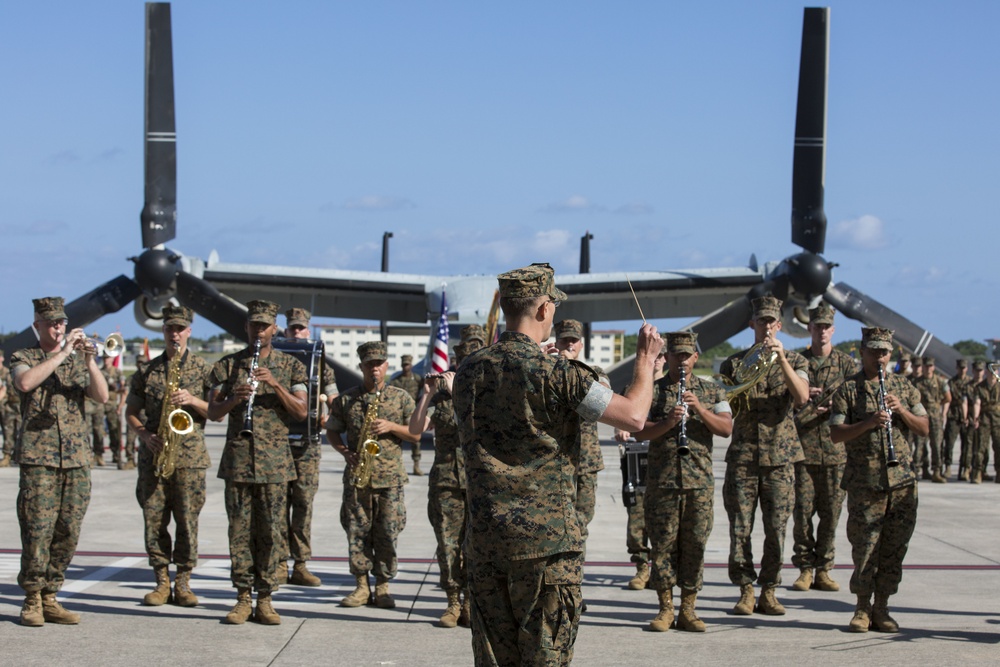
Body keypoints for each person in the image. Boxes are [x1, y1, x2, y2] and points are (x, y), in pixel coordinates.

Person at [453, 262, 664, 666]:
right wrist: (644, 360)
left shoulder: (469, 370)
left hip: (486, 542)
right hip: (546, 548)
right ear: (544, 309)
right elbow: (635, 417)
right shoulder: (556, 374)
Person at [207, 300, 308, 625]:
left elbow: (302, 412)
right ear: (247, 327)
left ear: (274, 328)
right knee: (239, 531)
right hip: (238, 462)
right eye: (254, 325)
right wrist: (235, 398)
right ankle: (241, 598)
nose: (259, 330)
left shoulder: (291, 366)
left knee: (271, 532)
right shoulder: (227, 365)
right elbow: (212, 413)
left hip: (275, 464)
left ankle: (265, 599)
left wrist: (274, 384)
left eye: (264, 325)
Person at [10, 296, 109, 626]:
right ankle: (32, 598)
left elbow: (102, 396)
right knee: (37, 531)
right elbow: (25, 383)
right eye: (52, 323)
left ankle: (51, 595)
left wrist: (90, 361)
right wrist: (64, 351)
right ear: (37, 325)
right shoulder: (24, 356)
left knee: (68, 530)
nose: (59, 327)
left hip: (76, 460)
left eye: (62, 322)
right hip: (40, 459)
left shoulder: (77, 363)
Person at [633, 331, 732, 632]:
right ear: (668, 357)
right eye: (677, 354)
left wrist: (699, 408)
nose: (682, 360)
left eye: (687, 355)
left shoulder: (713, 391)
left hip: (698, 484)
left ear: (696, 357)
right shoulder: (652, 390)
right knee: (662, 546)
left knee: (695, 546)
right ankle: (666, 608)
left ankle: (689, 608)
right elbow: (638, 430)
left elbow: (726, 429)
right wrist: (668, 423)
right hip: (662, 483)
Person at [830, 326, 928, 633]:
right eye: (873, 351)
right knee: (865, 547)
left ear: (891, 353)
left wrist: (902, 412)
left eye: (884, 351)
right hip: (865, 482)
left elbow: (924, 427)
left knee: (894, 548)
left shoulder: (905, 388)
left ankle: (882, 607)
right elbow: (836, 434)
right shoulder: (847, 390)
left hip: (901, 483)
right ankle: (862, 607)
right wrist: (870, 422)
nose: (879, 357)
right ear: (862, 352)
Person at [719, 295, 809, 616]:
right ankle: (745, 589)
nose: (767, 327)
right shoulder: (733, 363)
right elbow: (726, 404)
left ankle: (769, 590)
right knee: (740, 528)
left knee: (776, 528)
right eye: (761, 321)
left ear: (780, 325)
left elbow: (801, 398)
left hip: (780, 458)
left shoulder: (797, 361)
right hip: (743, 457)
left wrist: (781, 360)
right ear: (752, 325)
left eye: (772, 322)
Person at [126, 306, 212, 608]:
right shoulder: (146, 371)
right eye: (169, 329)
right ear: (163, 331)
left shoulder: (203, 369)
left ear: (189, 331)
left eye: (179, 329)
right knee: (154, 518)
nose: (174, 334)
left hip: (189, 456)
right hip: (154, 454)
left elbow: (214, 412)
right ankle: (161, 581)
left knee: (188, 520)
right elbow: (131, 413)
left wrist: (192, 399)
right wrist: (144, 434)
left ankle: (183, 582)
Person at [327, 340, 418, 610]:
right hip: (358, 477)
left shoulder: (401, 397)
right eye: (369, 365)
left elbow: (415, 434)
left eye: (379, 364)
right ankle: (361, 586)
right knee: (357, 532)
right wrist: (344, 452)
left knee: (388, 532)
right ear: (361, 367)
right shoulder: (347, 399)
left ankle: (383, 585)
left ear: (386, 366)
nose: (374, 369)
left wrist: (391, 426)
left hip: (390, 478)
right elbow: (332, 430)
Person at [790, 303, 857, 593]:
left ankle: (824, 569)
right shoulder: (797, 361)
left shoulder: (845, 364)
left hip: (834, 451)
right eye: (818, 326)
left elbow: (856, 402)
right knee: (802, 513)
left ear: (833, 329)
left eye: (827, 326)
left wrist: (837, 405)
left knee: (831, 514)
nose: (822, 331)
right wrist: (803, 397)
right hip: (803, 449)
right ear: (810, 328)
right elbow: (785, 399)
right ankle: (805, 568)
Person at [408, 339, 473, 628]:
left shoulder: (487, 392)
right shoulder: (441, 398)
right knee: (448, 544)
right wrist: (427, 395)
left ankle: (472, 600)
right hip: (446, 479)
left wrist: (459, 391)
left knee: (477, 544)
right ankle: (453, 601)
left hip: (477, 481)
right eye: (461, 360)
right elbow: (414, 430)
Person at [277, 307, 338, 587]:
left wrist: (329, 414)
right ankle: (277, 563)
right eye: (293, 329)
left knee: (303, 503)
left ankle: (300, 564)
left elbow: (333, 396)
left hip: (308, 444)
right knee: (277, 504)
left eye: (302, 329)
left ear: (308, 330)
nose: (297, 333)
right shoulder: (275, 359)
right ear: (285, 331)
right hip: (276, 442)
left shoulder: (320, 362)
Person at [549, 319, 606, 546]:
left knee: (581, 519)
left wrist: (574, 369)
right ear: (557, 342)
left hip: (585, 461)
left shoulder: (594, 372)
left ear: (581, 345)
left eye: (574, 341)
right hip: (556, 460)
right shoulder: (547, 371)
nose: (569, 345)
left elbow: (605, 392)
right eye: (565, 340)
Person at [615, 348, 666, 591]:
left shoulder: (671, 388)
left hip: (665, 465)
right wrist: (620, 429)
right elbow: (620, 420)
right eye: (653, 357)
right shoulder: (631, 389)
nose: (656, 362)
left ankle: (660, 567)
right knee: (636, 520)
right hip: (637, 465)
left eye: (660, 357)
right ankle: (641, 568)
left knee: (664, 521)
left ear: (664, 359)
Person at [912, 356, 951, 483]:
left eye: (930, 366)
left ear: (933, 367)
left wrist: (937, 405)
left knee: (937, 445)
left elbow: (948, 398)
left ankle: (937, 471)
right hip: (921, 417)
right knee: (919, 445)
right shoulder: (916, 382)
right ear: (922, 367)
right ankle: (916, 471)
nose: (928, 369)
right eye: (926, 366)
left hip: (935, 418)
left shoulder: (940, 381)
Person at [390, 353, 424, 475]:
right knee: (395, 440)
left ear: (411, 365)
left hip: (413, 413)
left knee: (416, 440)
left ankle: (416, 465)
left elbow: (423, 392)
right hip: (399, 413)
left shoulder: (418, 379)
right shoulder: (396, 381)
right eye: (404, 365)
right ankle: (396, 466)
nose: (406, 367)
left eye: (408, 365)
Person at [970, 360, 1000, 484]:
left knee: (999, 447)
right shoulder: (979, 387)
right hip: (985, 419)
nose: (993, 373)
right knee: (981, 447)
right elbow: (977, 403)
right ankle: (978, 472)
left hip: (998, 419)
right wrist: (976, 418)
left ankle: (999, 473)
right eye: (991, 371)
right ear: (987, 372)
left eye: (995, 370)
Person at [946, 359, 971, 481]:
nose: (962, 370)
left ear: (966, 368)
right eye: (960, 368)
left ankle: (965, 469)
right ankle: (948, 467)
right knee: (949, 443)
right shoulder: (951, 382)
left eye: (964, 368)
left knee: (967, 445)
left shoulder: (970, 382)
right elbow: (948, 399)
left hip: (967, 417)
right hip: (954, 415)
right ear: (957, 368)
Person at [101, 353, 126, 466]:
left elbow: (123, 389)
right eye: (104, 358)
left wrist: (120, 405)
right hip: (100, 404)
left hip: (112, 404)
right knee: (99, 430)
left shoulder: (117, 372)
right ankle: (98, 454)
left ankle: (116, 454)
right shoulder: (100, 372)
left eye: (108, 358)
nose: (106, 360)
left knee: (114, 430)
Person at [0, 348, 22, 468]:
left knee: (20, 432)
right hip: (6, 408)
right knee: (8, 433)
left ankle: (17, 455)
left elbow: (8, 390)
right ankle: (7, 456)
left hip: (17, 406)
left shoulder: (8, 373)